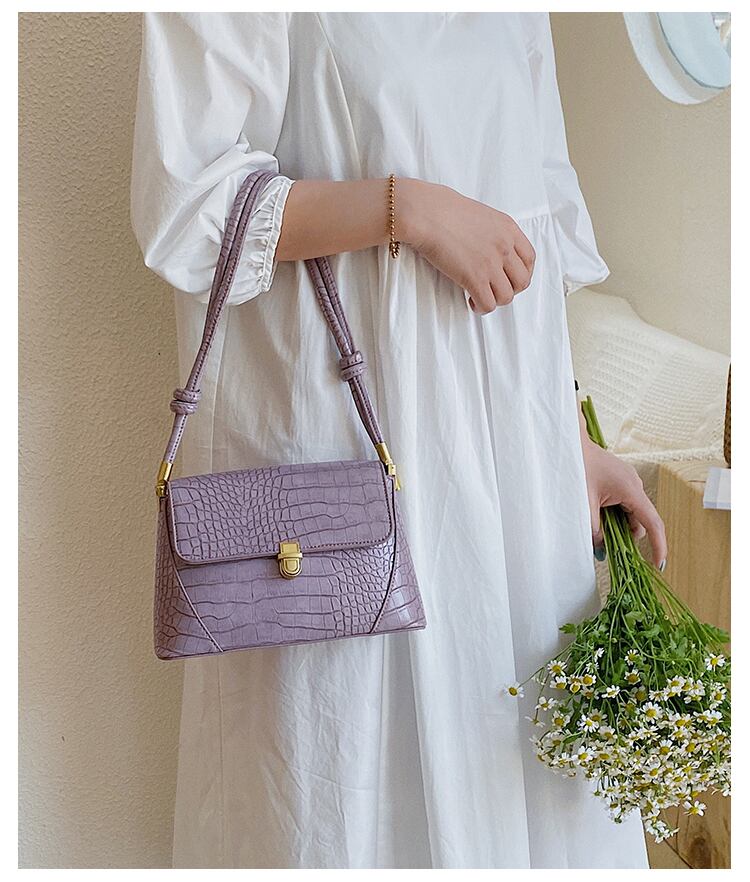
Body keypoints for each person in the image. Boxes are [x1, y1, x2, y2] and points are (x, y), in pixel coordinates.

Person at [131, 11, 667, 869]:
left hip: (511, 471)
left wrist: (568, 435)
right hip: (349, 459)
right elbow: (188, 208)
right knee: (350, 785)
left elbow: (534, 224)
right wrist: (407, 209)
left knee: (514, 760)